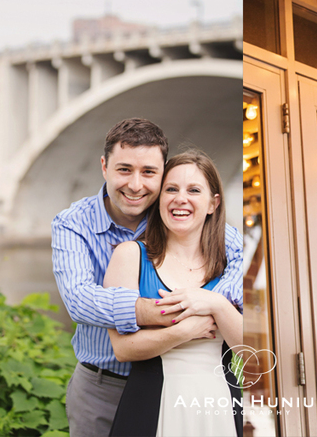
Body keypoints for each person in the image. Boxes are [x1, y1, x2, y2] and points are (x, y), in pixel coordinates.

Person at [51, 119, 242, 437]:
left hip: (176, 382)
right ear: (105, 167)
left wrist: (216, 303)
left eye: (149, 173)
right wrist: (173, 315)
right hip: (105, 384)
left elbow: (236, 259)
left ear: (162, 174)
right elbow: (79, 301)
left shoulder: (177, 211)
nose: (136, 185)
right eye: (124, 169)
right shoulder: (73, 223)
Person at [106, 149, 242, 437]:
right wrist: (187, 331)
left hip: (219, 405)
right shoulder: (130, 256)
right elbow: (122, 349)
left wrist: (215, 303)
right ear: (159, 200)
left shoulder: (232, 266)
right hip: (153, 401)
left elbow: (250, 351)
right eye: (171, 189)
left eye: (194, 190)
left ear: (212, 203)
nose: (181, 199)